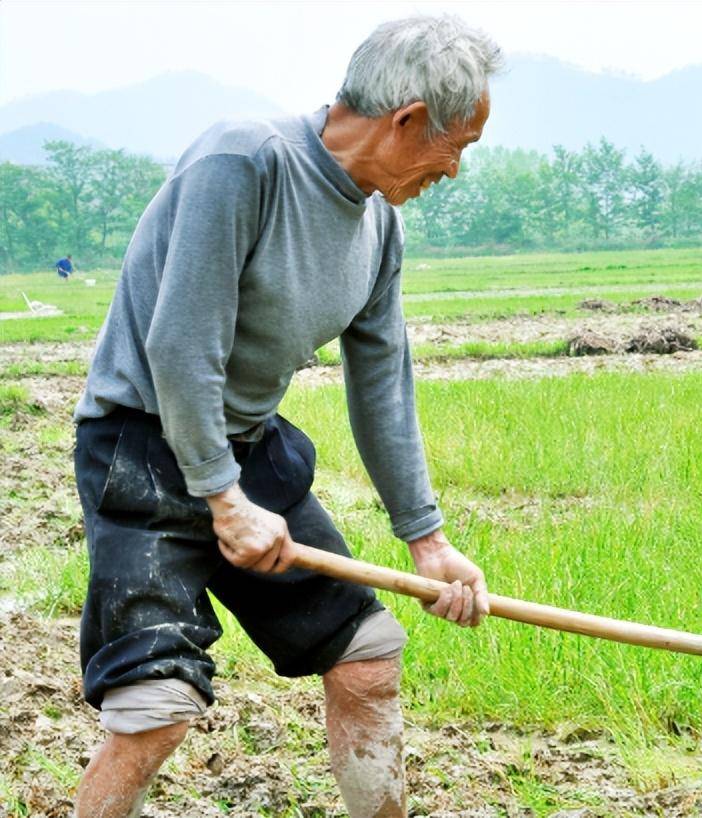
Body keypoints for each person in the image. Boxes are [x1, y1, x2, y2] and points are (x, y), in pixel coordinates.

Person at [70, 16, 501, 818]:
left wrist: (427, 539)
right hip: (143, 445)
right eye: (459, 145)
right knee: (154, 710)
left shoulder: (379, 226)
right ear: (407, 120)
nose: (456, 169)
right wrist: (221, 497)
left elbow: (381, 385)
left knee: (367, 657)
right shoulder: (245, 160)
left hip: (248, 446)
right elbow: (181, 344)